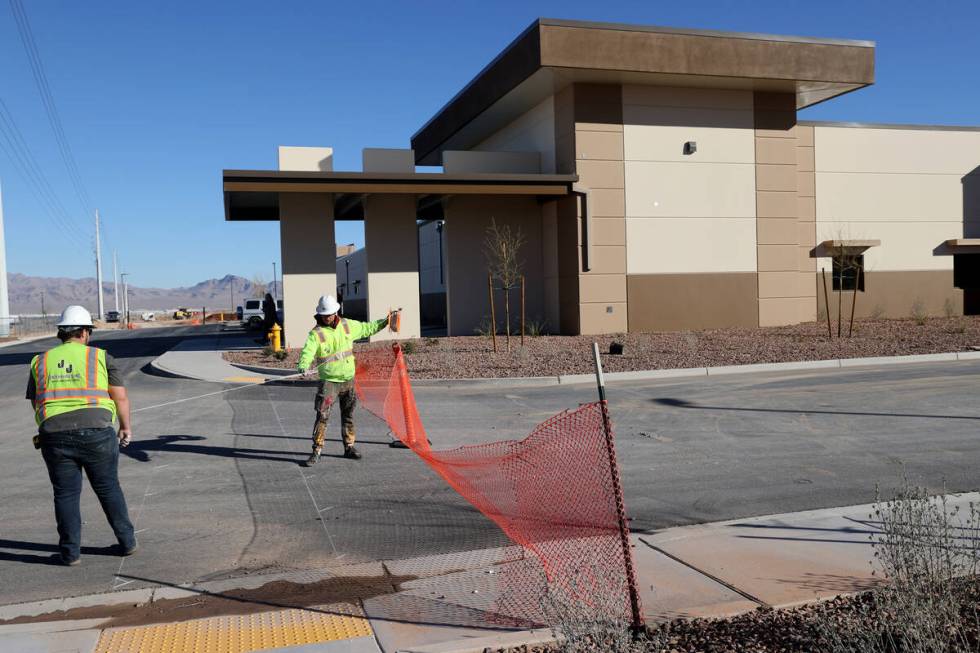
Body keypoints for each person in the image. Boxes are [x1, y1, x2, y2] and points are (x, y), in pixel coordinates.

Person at [26, 305, 137, 566]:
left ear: (60, 333)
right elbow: (119, 396)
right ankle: (127, 542)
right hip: (97, 431)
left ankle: (70, 553)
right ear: (85, 333)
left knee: (65, 494)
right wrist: (125, 426)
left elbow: (36, 402)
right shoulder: (100, 357)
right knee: (108, 488)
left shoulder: (39, 361)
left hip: (54, 433)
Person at [297, 294, 392, 466]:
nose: (328, 317)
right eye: (325, 314)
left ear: (336, 311)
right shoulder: (316, 334)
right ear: (320, 314)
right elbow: (307, 351)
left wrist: (385, 322)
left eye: (331, 313)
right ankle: (317, 451)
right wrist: (303, 365)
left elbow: (367, 328)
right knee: (322, 416)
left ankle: (349, 447)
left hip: (348, 380)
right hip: (329, 383)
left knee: (348, 415)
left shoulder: (347, 326)